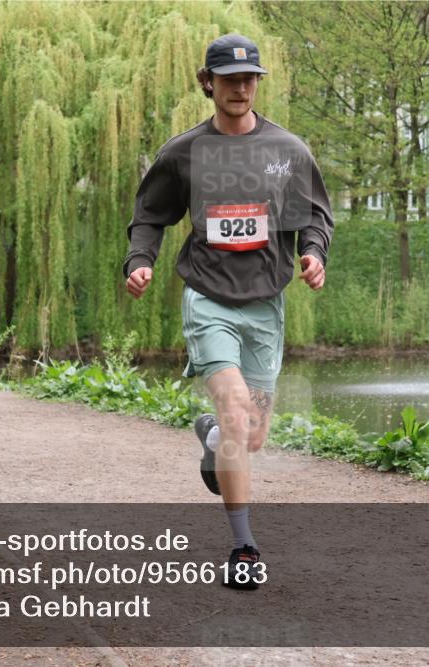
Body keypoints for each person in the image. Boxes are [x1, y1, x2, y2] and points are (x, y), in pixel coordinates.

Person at [123, 34, 333, 589]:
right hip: (208, 297)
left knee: (250, 435)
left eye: (249, 79)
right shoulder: (184, 152)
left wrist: (312, 253)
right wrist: (139, 261)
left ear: (258, 83)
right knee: (240, 415)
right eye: (229, 79)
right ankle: (244, 547)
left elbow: (314, 216)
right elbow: (150, 215)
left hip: (266, 303)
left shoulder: (287, 149)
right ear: (207, 83)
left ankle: (215, 438)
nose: (240, 87)